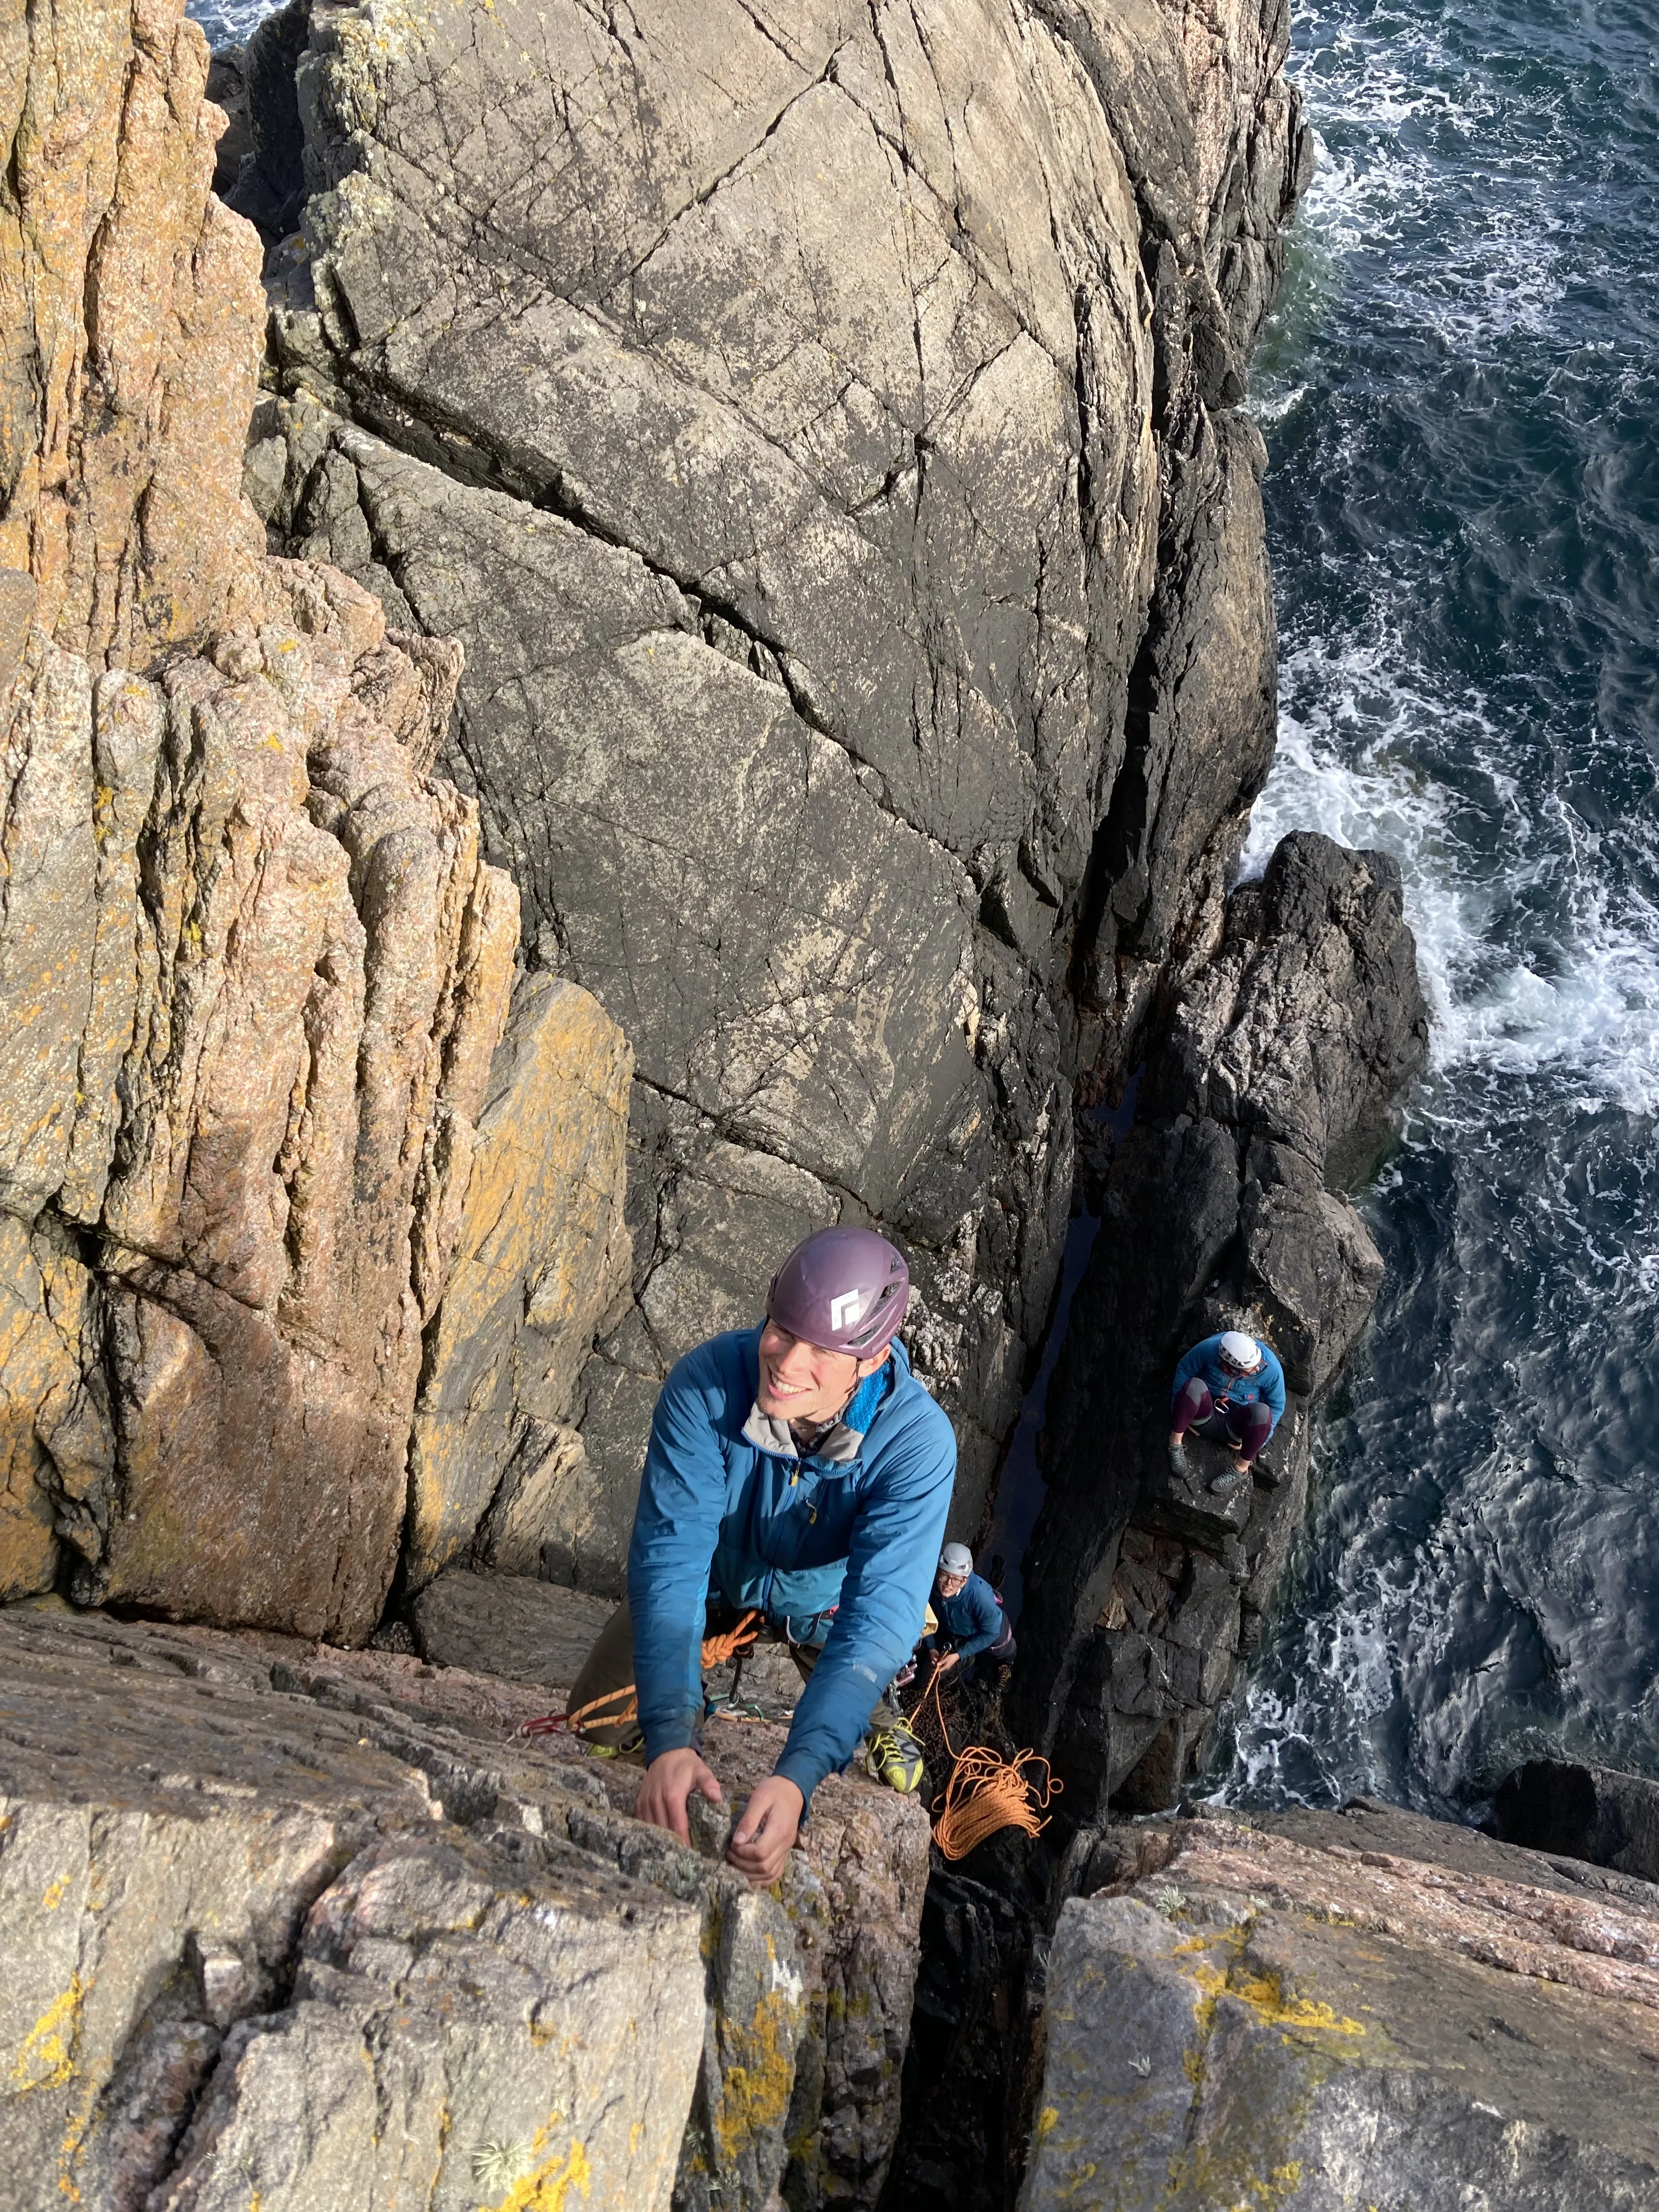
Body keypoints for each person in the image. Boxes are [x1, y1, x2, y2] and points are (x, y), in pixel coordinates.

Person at [565, 1224, 956, 1886]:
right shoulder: (709, 1384)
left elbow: (876, 1621)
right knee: (593, 1724)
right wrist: (671, 1738)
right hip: (719, 1587)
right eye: (781, 1328)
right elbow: (669, 1568)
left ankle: (875, 1712)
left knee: (862, 1666)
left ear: (873, 1356)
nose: (786, 1360)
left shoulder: (915, 1444)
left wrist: (798, 1778)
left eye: (820, 1350)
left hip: (826, 1609)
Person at [1167, 1329, 1285, 1493]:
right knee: (1193, 1386)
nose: (1258, 1370)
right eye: (1251, 1370)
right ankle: (1175, 1443)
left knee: (1263, 1413)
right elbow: (1184, 1371)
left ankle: (1240, 1469)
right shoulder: (1209, 1348)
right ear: (1230, 1367)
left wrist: (1258, 1442)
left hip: (1235, 1425)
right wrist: (1179, 1412)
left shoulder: (1271, 1369)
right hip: (1205, 1412)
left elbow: (1277, 1406)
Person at [922, 1543, 1015, 1684]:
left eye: (956, 1580)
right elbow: (924, 1612)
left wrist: (959, 1655)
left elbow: (991, 1633)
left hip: (991, 1627)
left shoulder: (980, 1597)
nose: (948, 1584)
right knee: (926, 1679)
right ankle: (968, 1659)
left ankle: (1007, 1665)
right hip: (955, 1629)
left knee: (1005, 1649)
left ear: (964, 1580)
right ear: (938, 1572)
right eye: (944, 1576)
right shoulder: (932, 1582)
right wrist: (931, 1647)